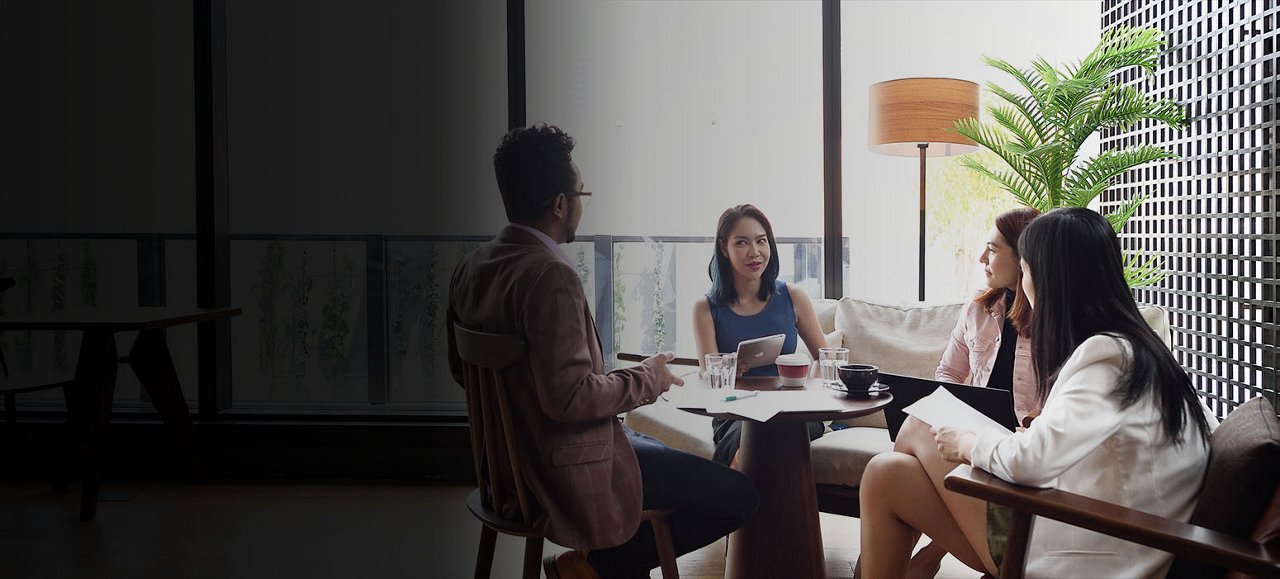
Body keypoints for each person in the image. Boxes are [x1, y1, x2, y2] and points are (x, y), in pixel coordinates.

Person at [447, 124, 758, 579]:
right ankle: (599, 565)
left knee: (649, 445)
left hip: (505, 473)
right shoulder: (550, 275)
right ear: (559, 204)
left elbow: (462, 370)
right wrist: (648, 377)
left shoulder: (471, 267)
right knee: (740, 494)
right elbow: (569, 399)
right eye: (580, 195)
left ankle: (604, 566)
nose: (580, 207)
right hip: (560, 475)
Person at [858, 207, 1215, 578]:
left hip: (1084, 550)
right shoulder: (1140, 351)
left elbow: (1032, 462)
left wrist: (967, 443)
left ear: (1048, 279)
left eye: (1025, 269)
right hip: (1093, 530)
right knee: (887, 473)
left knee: (918, 425)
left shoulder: (1107, 356)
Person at [901, 207, 1041, 577]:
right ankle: (893, 563)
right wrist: (950, 412)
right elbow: (948, 372)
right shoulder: (979, 309)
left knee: (911, 437)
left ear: (1024, 256)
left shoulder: (1053, 320)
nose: (982, 258)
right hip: (973, 430)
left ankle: (926, 555)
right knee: (904, 454)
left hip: (1019, 442)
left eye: (992, 249)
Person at [692, 204, 828, 467]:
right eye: (742, 243)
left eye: (761, 241)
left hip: (793, 409)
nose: (755, 252)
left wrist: (808, 393)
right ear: (723, 248)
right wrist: (729, 370)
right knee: (749, 445)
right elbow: (707, 373)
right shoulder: (705, 308)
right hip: (735, 411)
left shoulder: (792, 296)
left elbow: (825, 358)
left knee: (776, 433)